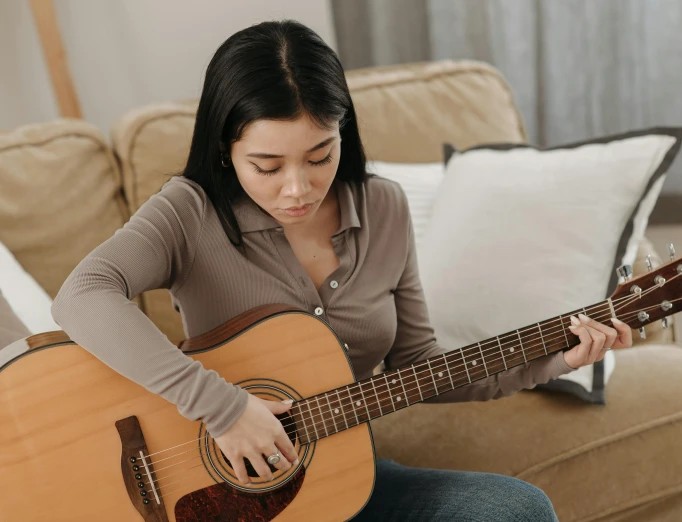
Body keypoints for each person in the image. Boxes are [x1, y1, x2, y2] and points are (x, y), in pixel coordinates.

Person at [51, 20, 632, 521]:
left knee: (515, 511)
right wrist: (222, 408)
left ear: (342, 134)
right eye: (267, 166)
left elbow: (420, 366)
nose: (297, 188)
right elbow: (82, 294)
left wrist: (556, 359)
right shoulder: (188, 211)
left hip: (337, 481)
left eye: (320, 156)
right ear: (225, 148)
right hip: (211, 495)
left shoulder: (384, 206)